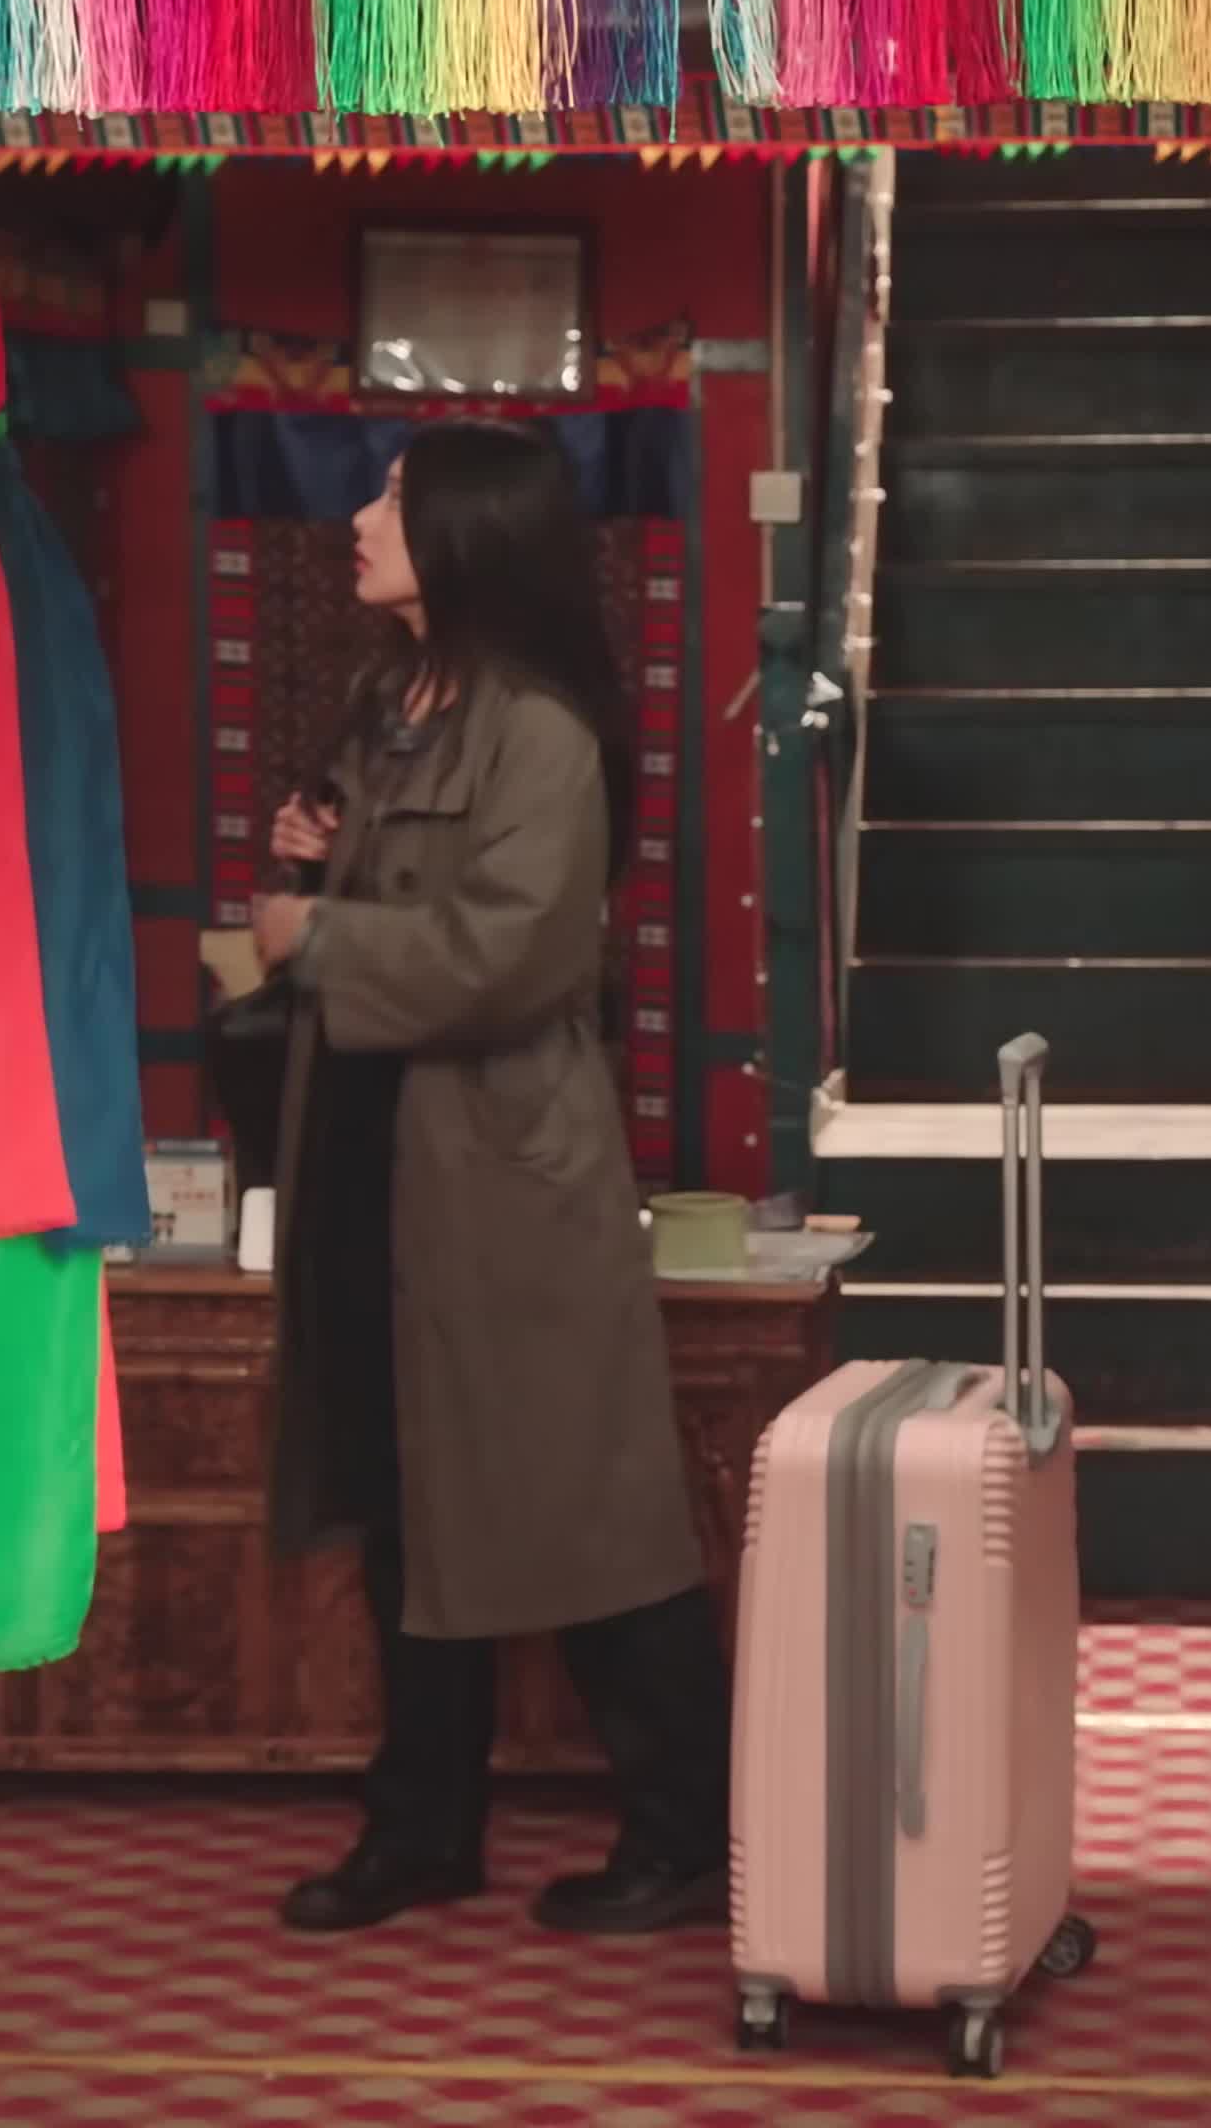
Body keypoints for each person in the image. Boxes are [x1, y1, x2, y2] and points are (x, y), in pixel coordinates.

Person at [248, 420, 735, 1938]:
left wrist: (317, 934)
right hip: (372, 1154)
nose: (361, 516)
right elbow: (396, 902)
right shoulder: (390, 701)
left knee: (577, 1502)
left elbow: (513, 955)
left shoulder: (539, 732)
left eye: (395, 497)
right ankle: (422, 1828)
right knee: (407, 1498)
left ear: (469, 532)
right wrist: (314, 854)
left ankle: (686, 1830)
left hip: (499, 1176)